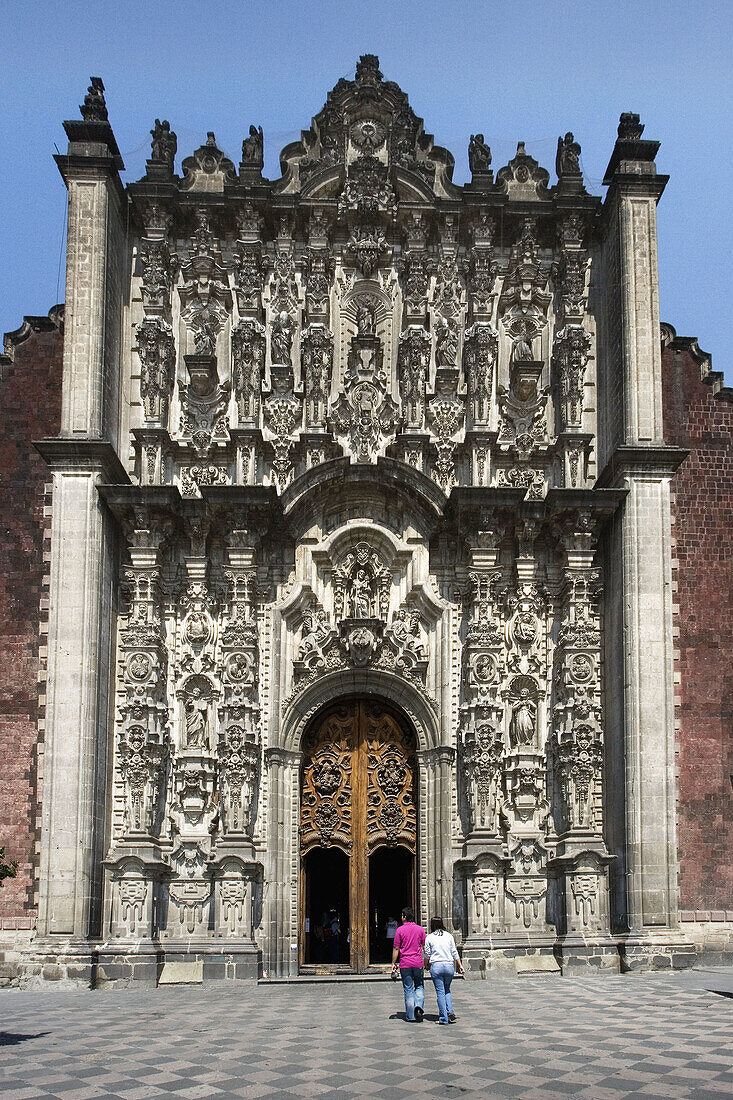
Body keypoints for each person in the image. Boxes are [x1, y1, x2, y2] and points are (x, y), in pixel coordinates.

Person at [424, 916, 464, 1024]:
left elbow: (427, 954)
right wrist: (460, 965)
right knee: (447, 989)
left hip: (436, 965)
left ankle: (443, 1018)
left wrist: (426, 965)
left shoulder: (430, 937)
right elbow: (454, 951)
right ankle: (450, 1011)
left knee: (440, 992)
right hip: (449, 965)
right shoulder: (449, 936)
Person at [391, 907, 426, 1022]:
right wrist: (426, 961)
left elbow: (396, 948)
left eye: (402, 916)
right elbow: (425, 946)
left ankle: (411, 1016)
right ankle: (419, 1006)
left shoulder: (400, 930)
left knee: (408, 989)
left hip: (405, 963)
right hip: (417, 962)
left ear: (405, 917)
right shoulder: (420, 929)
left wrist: (393, 963)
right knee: (419, 986)